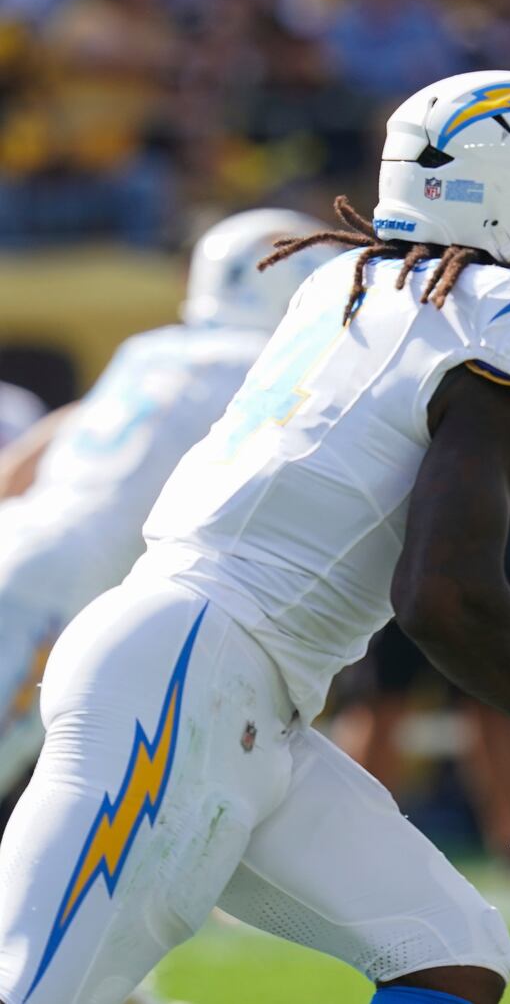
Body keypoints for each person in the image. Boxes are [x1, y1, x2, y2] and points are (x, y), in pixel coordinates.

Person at [0, 70, 510, 1004]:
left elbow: (405, 427)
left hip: (226, 680)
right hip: (191, 681)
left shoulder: (349, 278)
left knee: (452, 952)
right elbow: (443, 593)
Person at [0, 210, 341, 803]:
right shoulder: (264, 366)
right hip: (73, 584)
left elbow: (50, 438)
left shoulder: (154, 350)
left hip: (26, 539)